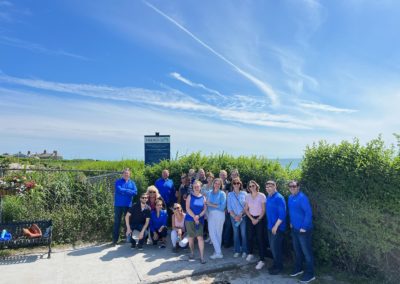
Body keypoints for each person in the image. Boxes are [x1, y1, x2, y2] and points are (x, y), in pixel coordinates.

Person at [288, 181, 315, 283]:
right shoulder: (290, 197)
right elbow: (291, 211)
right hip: (294, 229)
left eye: (294, 186)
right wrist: (291, 222)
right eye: (290, 186)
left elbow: (308, 213)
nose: (292, 188)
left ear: (298, 187)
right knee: (297, 250)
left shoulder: (302, 198)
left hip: (304, 230)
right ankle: (299, 268)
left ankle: (310, 274)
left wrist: (304, 227)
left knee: (307, 253)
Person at [265, 180, 287, 275]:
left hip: (277, 228)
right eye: (267, 187)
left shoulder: (279, 198)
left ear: (275, 187)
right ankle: (276, 264)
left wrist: (276, 226)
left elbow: (282, 215)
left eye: (270, 186)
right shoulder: (269, 197)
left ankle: (279, 267)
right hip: (270, 226)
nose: (268, 188)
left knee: (276, 247)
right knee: (273, 248)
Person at [244, 180, 267, 270]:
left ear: (256, 186)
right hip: (250, 218)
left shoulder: (262, 196)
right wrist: (252, 218)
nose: (252, 187)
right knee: (249, 237)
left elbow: (263, 210)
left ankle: (262, 260)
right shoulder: (247, 196)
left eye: (253, 185)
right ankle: (250, 253)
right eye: (250, 186)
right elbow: (246, 209)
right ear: (248, 188)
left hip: (259, 219)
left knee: (260, 238)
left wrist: (257, 219)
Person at [112, 168, 138, 245]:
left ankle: (127, 238)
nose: (126, 175)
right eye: (125, 173)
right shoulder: (118, 182)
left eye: (128, 173)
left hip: (128, 205)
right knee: (117, 222)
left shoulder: (132, 183)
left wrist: (124, 191)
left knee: (127, 222)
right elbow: (118, 189)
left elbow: (135, 192)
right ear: (122, 174)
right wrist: (129, 191)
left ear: (129, 174)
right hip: (118, 205)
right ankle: (115, 240)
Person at [185, 180, 207, 264]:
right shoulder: (189, 196)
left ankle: (202, 257)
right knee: (191, 237)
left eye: (198, 186)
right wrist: (194, 216)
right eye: (195, 187)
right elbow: (187, 208)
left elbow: (205, 208)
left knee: (200, 237)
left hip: (200, 220)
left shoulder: (203, 197)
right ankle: (192, 253)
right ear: (193, 188)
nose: (196, 188)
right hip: (190, 219)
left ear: (200, 187)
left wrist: (199, 216)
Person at [227, 177, 248, 258]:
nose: (236, 185)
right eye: (234, 183)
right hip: (233, 217)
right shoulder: (229, 194)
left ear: (240, 184)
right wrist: (235, 216)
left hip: (243, 217)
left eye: (238, 183)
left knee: (243, 234)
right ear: (232, 185)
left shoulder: (244, 194)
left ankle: (245, 251)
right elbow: (229, 208)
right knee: (236, 234)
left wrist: (240, 215)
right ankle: (237, 250)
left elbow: (246, 206)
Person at [206, 178, 227, 259]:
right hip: (210, 214)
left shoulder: (222, 193)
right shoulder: (209, 193)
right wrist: (213, 205)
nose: (217, 185)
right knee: (212, 233)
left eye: (219, 184)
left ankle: (218, 252)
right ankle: (218, 252)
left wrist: (211, 204)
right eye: (216, 183)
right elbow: (206, 204)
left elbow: (222, 207)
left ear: (221, 185)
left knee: (218, 234)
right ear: (213, 184)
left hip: (220, 215)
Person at [221, 169, 233, 248]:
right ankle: (222, 241)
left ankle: (226, 242)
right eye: (221, 174)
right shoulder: (217, 183)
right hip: (220, 207)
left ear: (226, 175)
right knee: (222, 225)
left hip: (227, 207)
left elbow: (227, 196)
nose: (222, 176)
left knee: (228, 225)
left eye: (224, 174)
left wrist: (226, 208)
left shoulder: (228, 184)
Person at [201, 172, 214, 243]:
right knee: (208, 222)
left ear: (212, 178)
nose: (209, 179)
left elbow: (213, 195)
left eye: (211, 177)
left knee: (212, 222)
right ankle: (210, 236)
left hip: (212, 206)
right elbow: (202, 194)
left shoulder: (214, 186)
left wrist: (206, 194)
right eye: (208, 177)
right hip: (205, 206)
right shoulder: (204, 186)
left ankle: (212, 238)